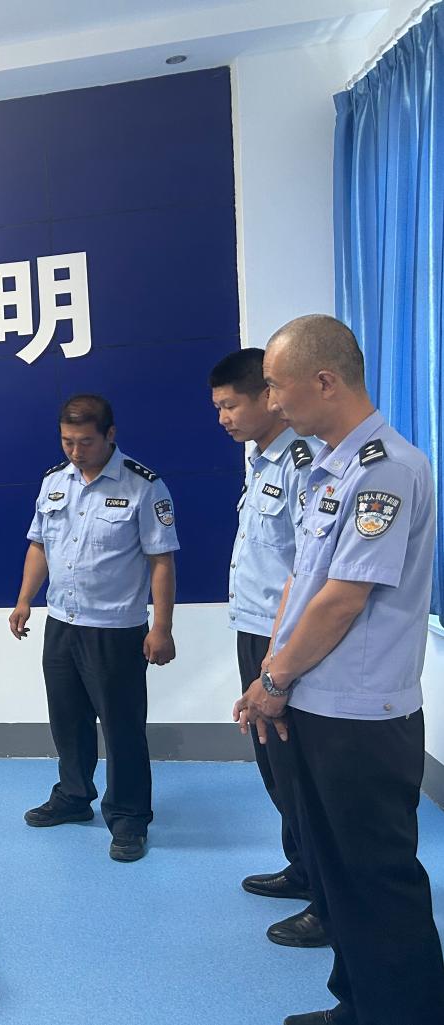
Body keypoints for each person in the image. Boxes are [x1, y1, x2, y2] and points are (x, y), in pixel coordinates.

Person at [236, 314, 444, 1025]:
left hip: (361, 714)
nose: (271, 400)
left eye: (276, 385)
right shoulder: (327, 469)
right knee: (336, 874)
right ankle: (357, 1004)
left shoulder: (387, 470)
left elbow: (343, 599)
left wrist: (273, 681)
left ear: (324, 381)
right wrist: (274, 671)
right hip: (315, 701)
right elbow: (300, 581)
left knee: (377, 878)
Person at [9, 394, 178, 862]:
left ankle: (128, 816)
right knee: (67, 720)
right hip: (62, 622)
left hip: (115, 628)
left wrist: (162, 627)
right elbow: (39, 545)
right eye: (67, 441)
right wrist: (24, 600)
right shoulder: (54, 482)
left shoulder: (144, 486)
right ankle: (73, 795)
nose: (75, 451)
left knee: (122, 728)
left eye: (85, 441)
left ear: (110, 435)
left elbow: (161, 561)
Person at [210, 348, 328, 949]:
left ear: (268, 398)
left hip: (286, 637)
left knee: (299, 771)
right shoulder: (261, 462)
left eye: (232, 405)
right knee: (274, 766)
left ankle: (328, 900)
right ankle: (302, 868)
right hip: (254, 627)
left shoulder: (306, 464)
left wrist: (280, 661)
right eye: (218, 408)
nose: (224, 418)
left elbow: (309, 571)